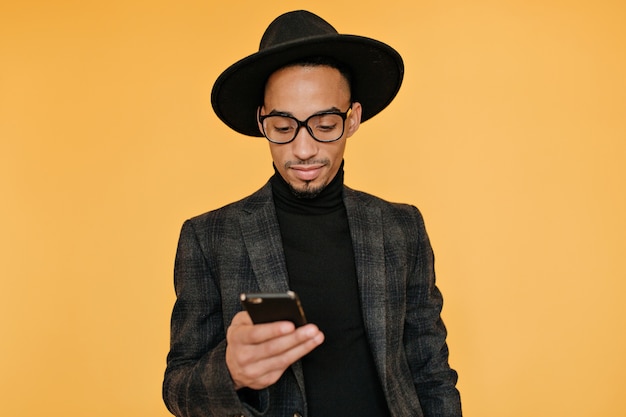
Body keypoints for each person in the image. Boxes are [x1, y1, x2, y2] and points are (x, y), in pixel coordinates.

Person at [163, 10, 462, 417]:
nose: (303, 150)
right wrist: (229, 372)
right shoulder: (209, 237)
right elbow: (178, 387)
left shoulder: (402, 227)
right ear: (261, 121)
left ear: (352, 118)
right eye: (284, 127)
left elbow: (431, 371)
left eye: (324, 124)